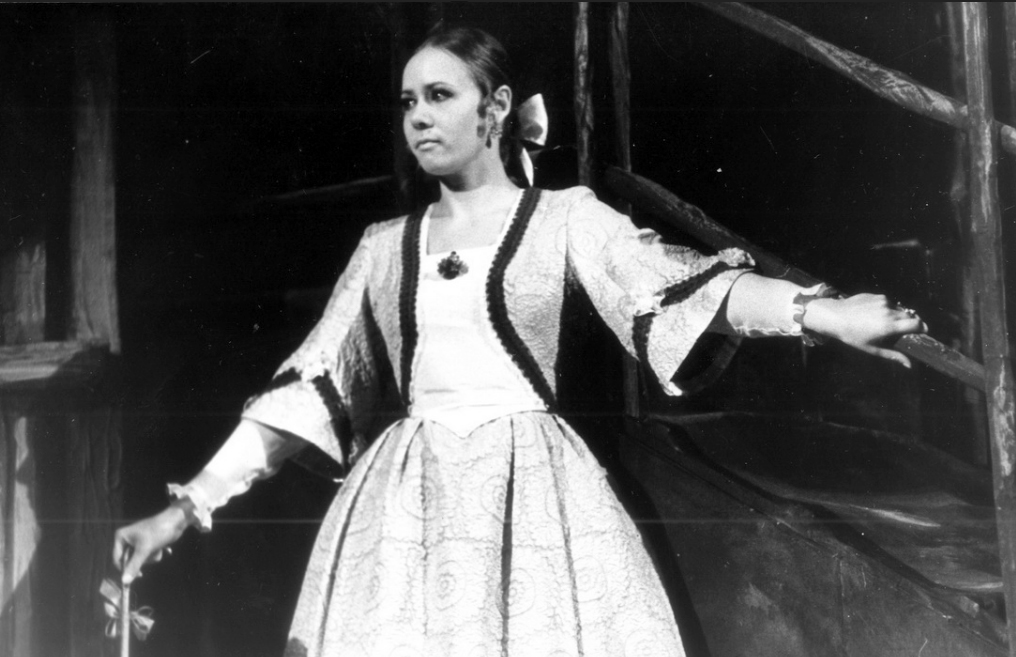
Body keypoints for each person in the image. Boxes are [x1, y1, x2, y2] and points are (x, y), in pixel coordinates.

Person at [114, 26, 927, 657]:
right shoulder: (382, 246)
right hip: (405, 509)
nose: (419, 116)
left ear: (496, 107)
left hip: (533, 493)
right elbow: (310, 388)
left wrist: (824, 313)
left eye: (440, 95)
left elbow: (679, 289)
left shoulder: (565, 218)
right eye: (408, 101)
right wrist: (182, 510)